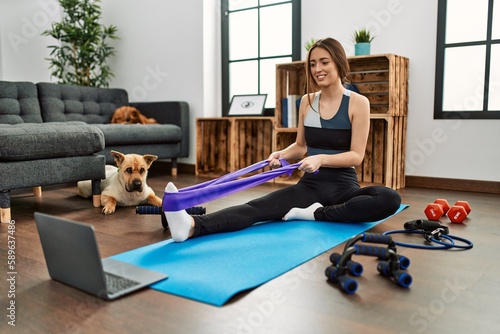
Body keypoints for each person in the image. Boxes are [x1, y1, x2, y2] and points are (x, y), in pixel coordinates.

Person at [165, 37, 402, 242]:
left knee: (389, 198)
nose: (317, 68)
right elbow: (300, 146)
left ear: (339, 62)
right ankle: (192, 226)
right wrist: (280, 154)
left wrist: (320, 158)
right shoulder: (307, 102)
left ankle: (314, 214)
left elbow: (356, 156)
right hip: (310, 187)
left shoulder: (357, 103)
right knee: (255, 208)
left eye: (324, 62)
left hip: (343, 187)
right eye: (312, 64)